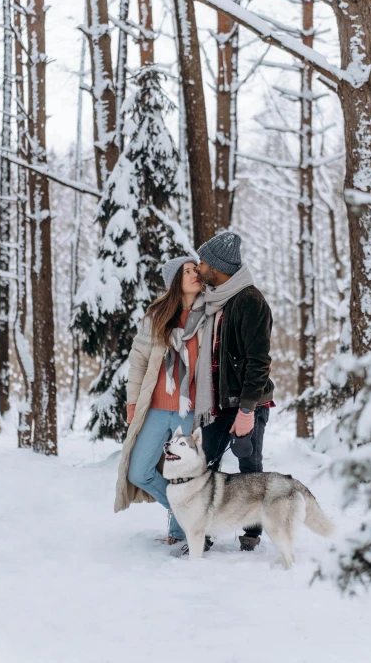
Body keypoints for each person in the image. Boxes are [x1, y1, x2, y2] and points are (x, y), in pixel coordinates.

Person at [113, 256, 205, 544]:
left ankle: (181, 532)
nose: (194, 275)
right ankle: (180, 510)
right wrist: (132, 404)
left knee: (188, 474)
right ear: (175, 281)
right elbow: (138, 362)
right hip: (154, 408)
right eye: (187, 272)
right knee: (139, 470)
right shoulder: (156, 318)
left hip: (188, 411)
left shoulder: (209, 316)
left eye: (195, 270)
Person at [195, 231, 274, 552]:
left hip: (245, 402)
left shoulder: (250, 301)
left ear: (218, 266)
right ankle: (204, 530)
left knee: (249, 468)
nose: (198, 268)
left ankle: (252, 534)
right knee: (205, 466)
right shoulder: (216, 301)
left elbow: (258, 362)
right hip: (216, 403)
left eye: (203, 262)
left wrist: (247, 411)